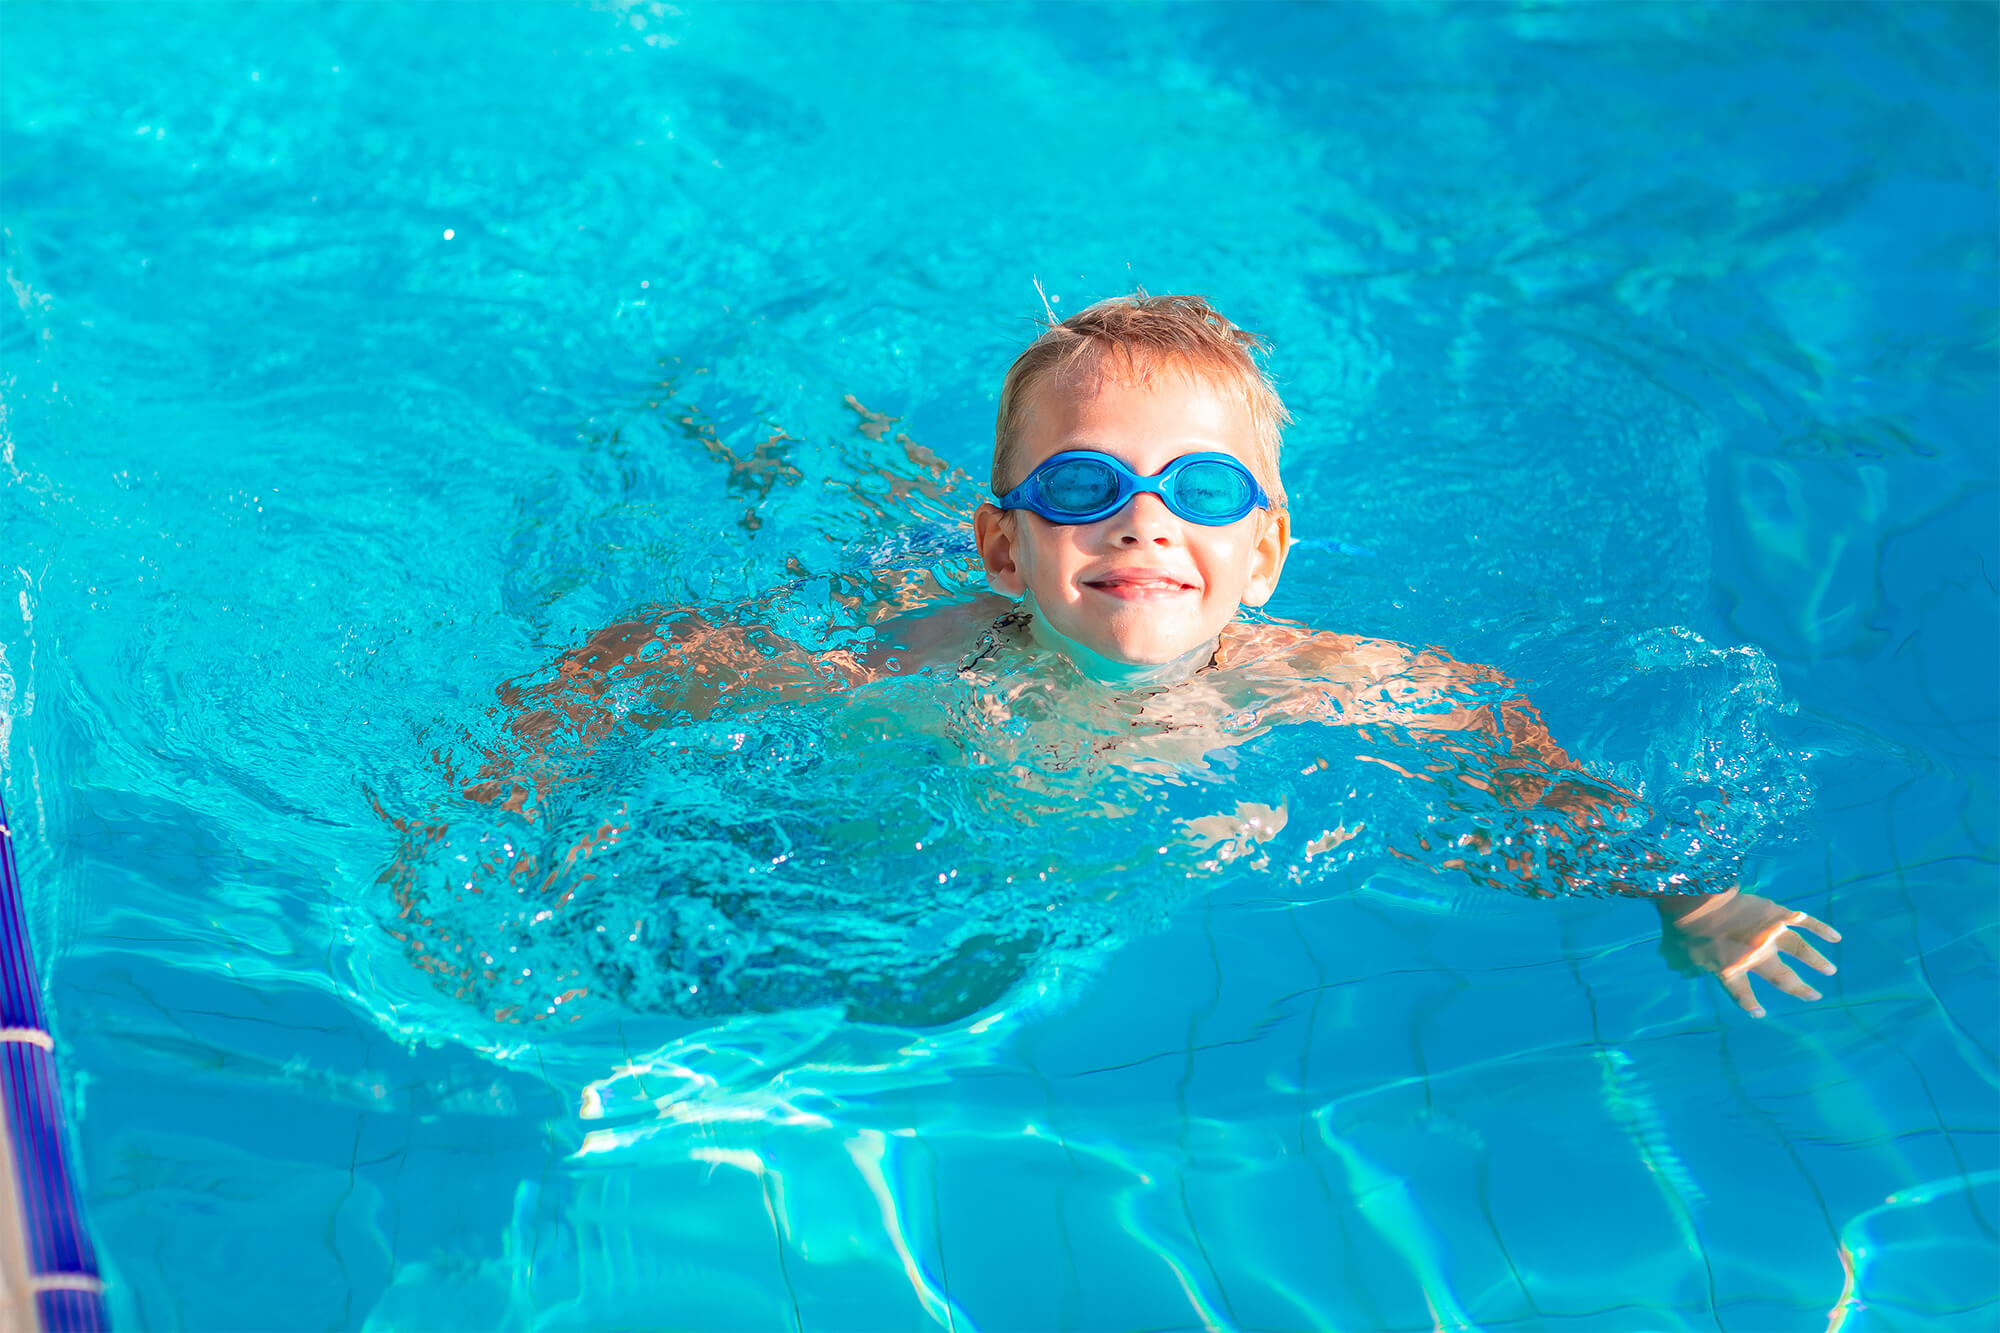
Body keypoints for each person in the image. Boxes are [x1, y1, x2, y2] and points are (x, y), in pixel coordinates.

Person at [450, 291, 1838, 1020]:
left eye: (1204, 492)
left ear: (1265, 551)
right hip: (928, 627)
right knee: (835, 525)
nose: (1143, 519)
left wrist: (1690, 892)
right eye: (1081, 487)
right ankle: (763, 440)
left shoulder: (1308, 680)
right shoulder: (934, 672)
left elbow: (1486, 724)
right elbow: (654, 651)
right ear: (1008, 550)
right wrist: (510, 799)